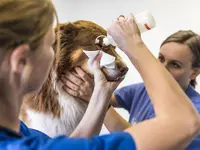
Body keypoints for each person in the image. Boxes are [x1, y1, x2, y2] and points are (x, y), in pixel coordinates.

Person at [0, 0, 200, 150]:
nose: (55, 54)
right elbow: (184, 123)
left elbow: (74, 144)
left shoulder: (19, 134)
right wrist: (133, 45)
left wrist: (101, 94)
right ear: (21, 61)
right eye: (51, 44)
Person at [62, 30, 200, 149]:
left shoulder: (195, 111)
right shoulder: (142, 90)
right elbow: (109, 96)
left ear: (194, 72)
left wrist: (97, 98)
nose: (162, 68)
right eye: (160, 58)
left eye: (175, 65)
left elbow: (145, 145)